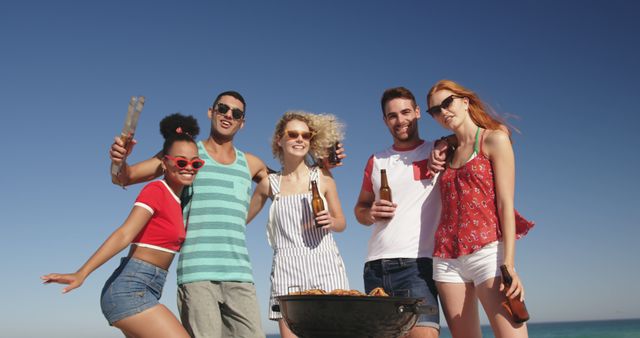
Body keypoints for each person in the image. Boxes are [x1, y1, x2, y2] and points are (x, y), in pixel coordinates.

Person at [109, 91, 267, 338]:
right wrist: (121, 160)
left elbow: (287, 181)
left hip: (240, 275)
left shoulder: (252, 163)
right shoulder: (187, 154)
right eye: (222, 108)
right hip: (196, 275)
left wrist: (323, 165)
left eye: (236, 113)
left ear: (242, 122)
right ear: (210, 112)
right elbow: (123, 177)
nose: (228, 115)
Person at [42, 113, 203, 338]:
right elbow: (125, 233)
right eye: (181, 162)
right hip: (130, 289)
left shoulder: (178, 202)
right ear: (165, 163)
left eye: (196, 163)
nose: (189, 167)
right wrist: (82, 273)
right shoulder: (156, 190)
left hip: (148, 288)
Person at [426, 79, 534, 338]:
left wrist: (508, 265)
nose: (443, 112)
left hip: (488, 252)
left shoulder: (493, 139)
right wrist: (443, 142)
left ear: (465, 102)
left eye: (447, 103)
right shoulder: (446, 151)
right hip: (446, 259)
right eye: (435, 110)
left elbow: (505, 204)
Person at [247, 112, 349, 338]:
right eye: (292, 134)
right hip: (286, 269)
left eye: (305, 135)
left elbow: (342, 222)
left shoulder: (323, 176)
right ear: (279, 140)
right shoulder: (268, 184)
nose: (300, 139)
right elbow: (242, 218)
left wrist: (332, 221)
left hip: (326, 265)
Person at [354, 87, 441, 338]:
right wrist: (370, 212)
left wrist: (447, 143)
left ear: (417, 112)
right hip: (374, 268)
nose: (400, 120)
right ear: (385, 121)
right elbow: (359, 210)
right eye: (392, 116)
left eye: (405, 112)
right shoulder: (377, 160)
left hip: (417, 268)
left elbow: (470, 136)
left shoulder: (438, 150)